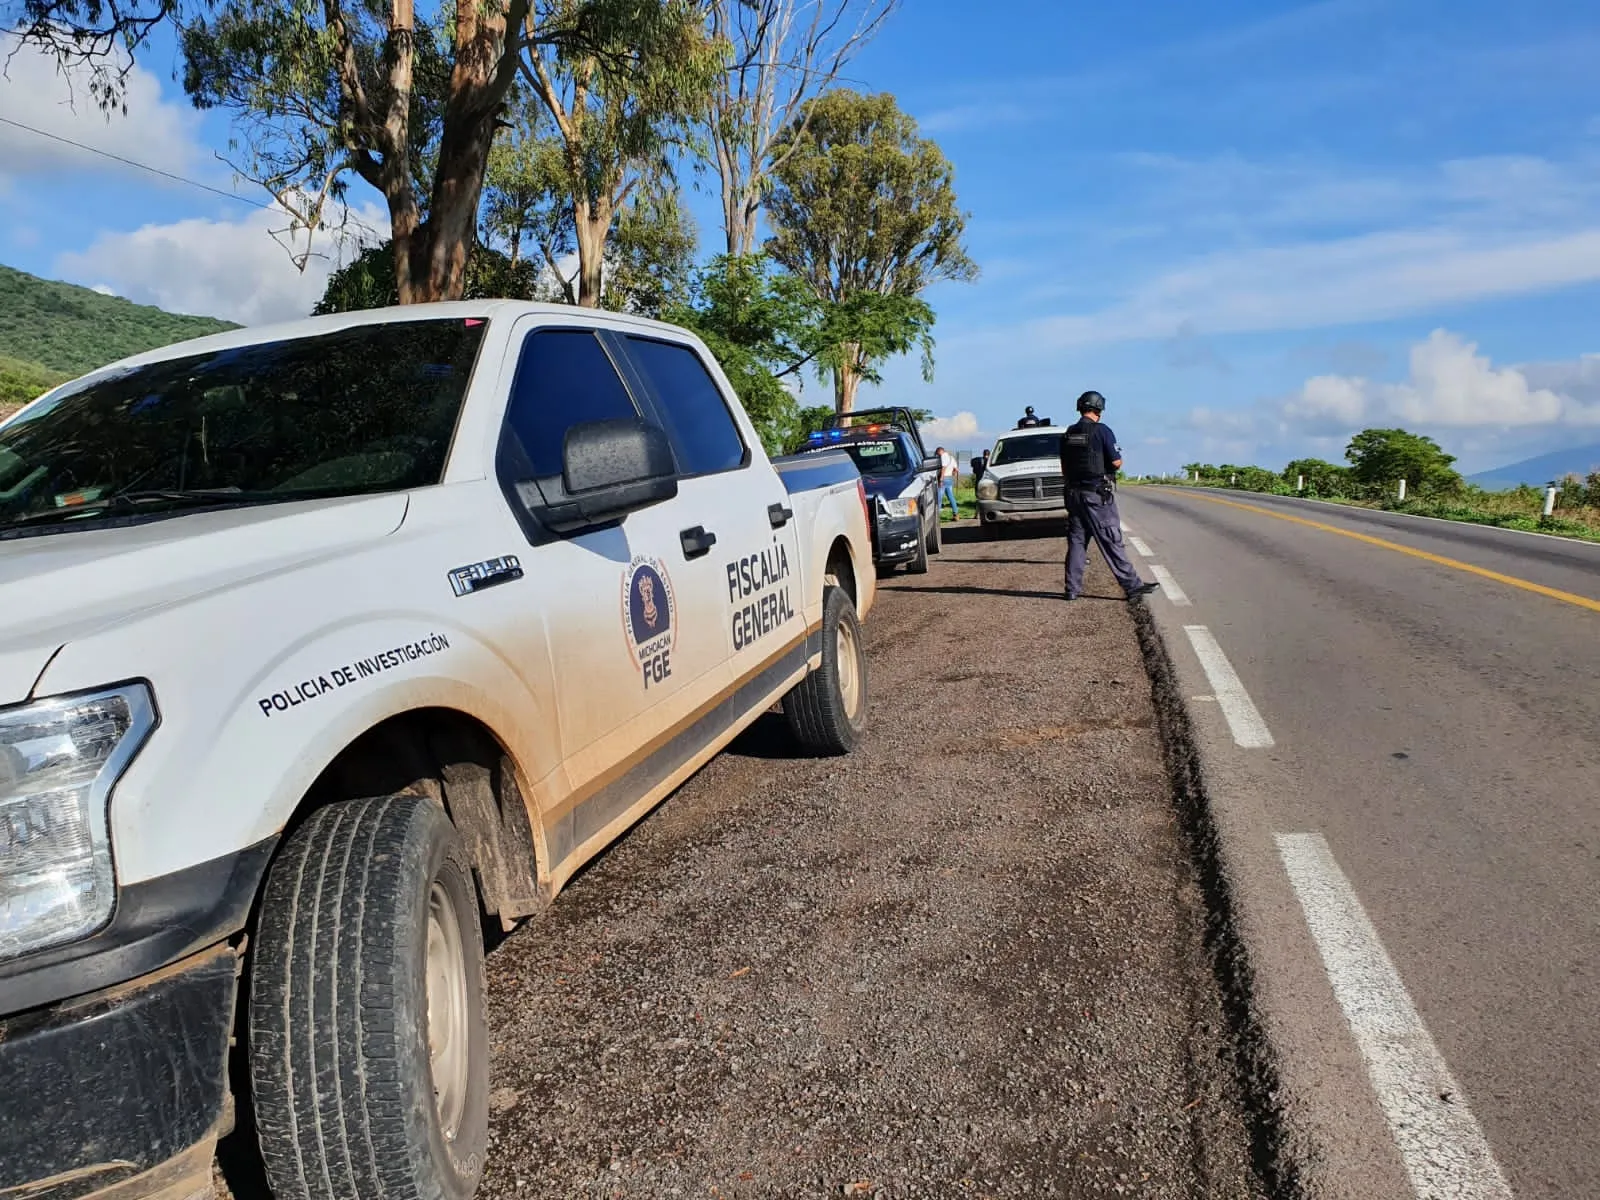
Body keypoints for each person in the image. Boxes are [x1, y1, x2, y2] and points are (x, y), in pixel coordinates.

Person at [1059, 390, 1159, 602]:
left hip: (1073, 495)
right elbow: (1116, 462)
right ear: (1099, 409)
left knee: (1077, 542)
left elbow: (1063, 466)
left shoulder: (1069, 433)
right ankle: (1132, 586)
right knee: (1111, 539)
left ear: (1081, 408)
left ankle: (1071, 589)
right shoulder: (1102, 431)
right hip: (1096, 495)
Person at [936, 445, 960, 521]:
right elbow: (956, 469)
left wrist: (941, 478)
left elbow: (944, 467)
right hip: (949, 478)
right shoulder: (951, 458)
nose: (938, 455)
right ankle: (956, 514)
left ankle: (937, 516)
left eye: (938, 454)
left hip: (944, 478)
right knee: (951, 497)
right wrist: (952, 474)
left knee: (939, 497)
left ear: (940, 451)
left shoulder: (943, 456)